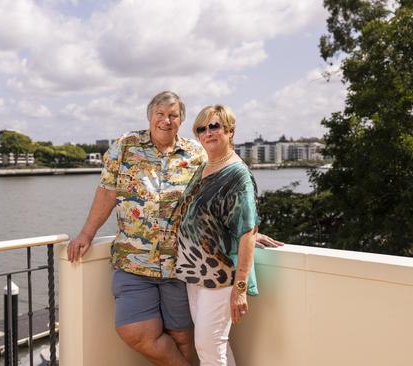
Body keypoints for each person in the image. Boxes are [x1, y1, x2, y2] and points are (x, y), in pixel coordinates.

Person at [67, 92, 281, 366]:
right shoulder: (124, 146)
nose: (166, 120)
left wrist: (247, 231)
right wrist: (87, 233)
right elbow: (107, 193)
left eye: (173, 115)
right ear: (149, 115)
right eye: (160, 113)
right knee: (134, 331)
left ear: (181, 121)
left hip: (180, 268)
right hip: (134, 263)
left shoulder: (196, 153)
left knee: (185, 337)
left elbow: (221, 191)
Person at [175, 105, 260, 366]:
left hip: (220, 274)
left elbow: (247, 232)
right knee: (214, 347)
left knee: (208, 345)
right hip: (195, 271)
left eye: (214, 126)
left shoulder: (237, 175)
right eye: (201, 128)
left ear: (230, 130)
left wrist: (241, 288)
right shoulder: (203, 169)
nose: (207, 132)